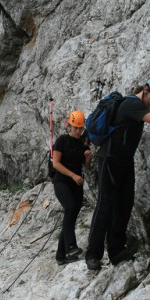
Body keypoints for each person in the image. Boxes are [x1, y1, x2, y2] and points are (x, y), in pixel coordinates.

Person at [85, 75, 150, 271]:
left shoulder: (138, 105)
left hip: (124, 162)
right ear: (145, 89)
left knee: (124, 204)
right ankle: (92, 255)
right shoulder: (130, 104)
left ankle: (116, 251)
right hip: (109, 159)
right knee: (105, 205)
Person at [51, 110, 93, 265]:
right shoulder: (62, 140)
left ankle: (60, 256)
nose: (77, 131)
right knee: (69, 208)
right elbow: (56, 163)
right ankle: (71, 246)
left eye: (80, 128)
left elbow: (86, 167)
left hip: (76, 184)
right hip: (61, 181)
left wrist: (88, 158)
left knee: (71, 217)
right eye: (75, 127)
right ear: (69, 126)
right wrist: (73, 175)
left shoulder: (82, 144)